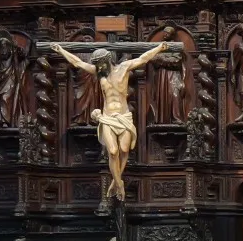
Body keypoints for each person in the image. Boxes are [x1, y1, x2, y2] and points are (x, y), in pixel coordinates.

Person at [52, 42, 169, 200]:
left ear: (106, 61)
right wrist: (61, 50)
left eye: (99, 64)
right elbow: (77, 62)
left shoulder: (124, 67)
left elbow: (143, 58)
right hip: (107, 118)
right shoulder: (100, 73)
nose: (98, 68)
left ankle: (116, 181)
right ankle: (119, 184)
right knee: (113, 151)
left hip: (124, 116)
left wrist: (159, 48)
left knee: (125, 149)